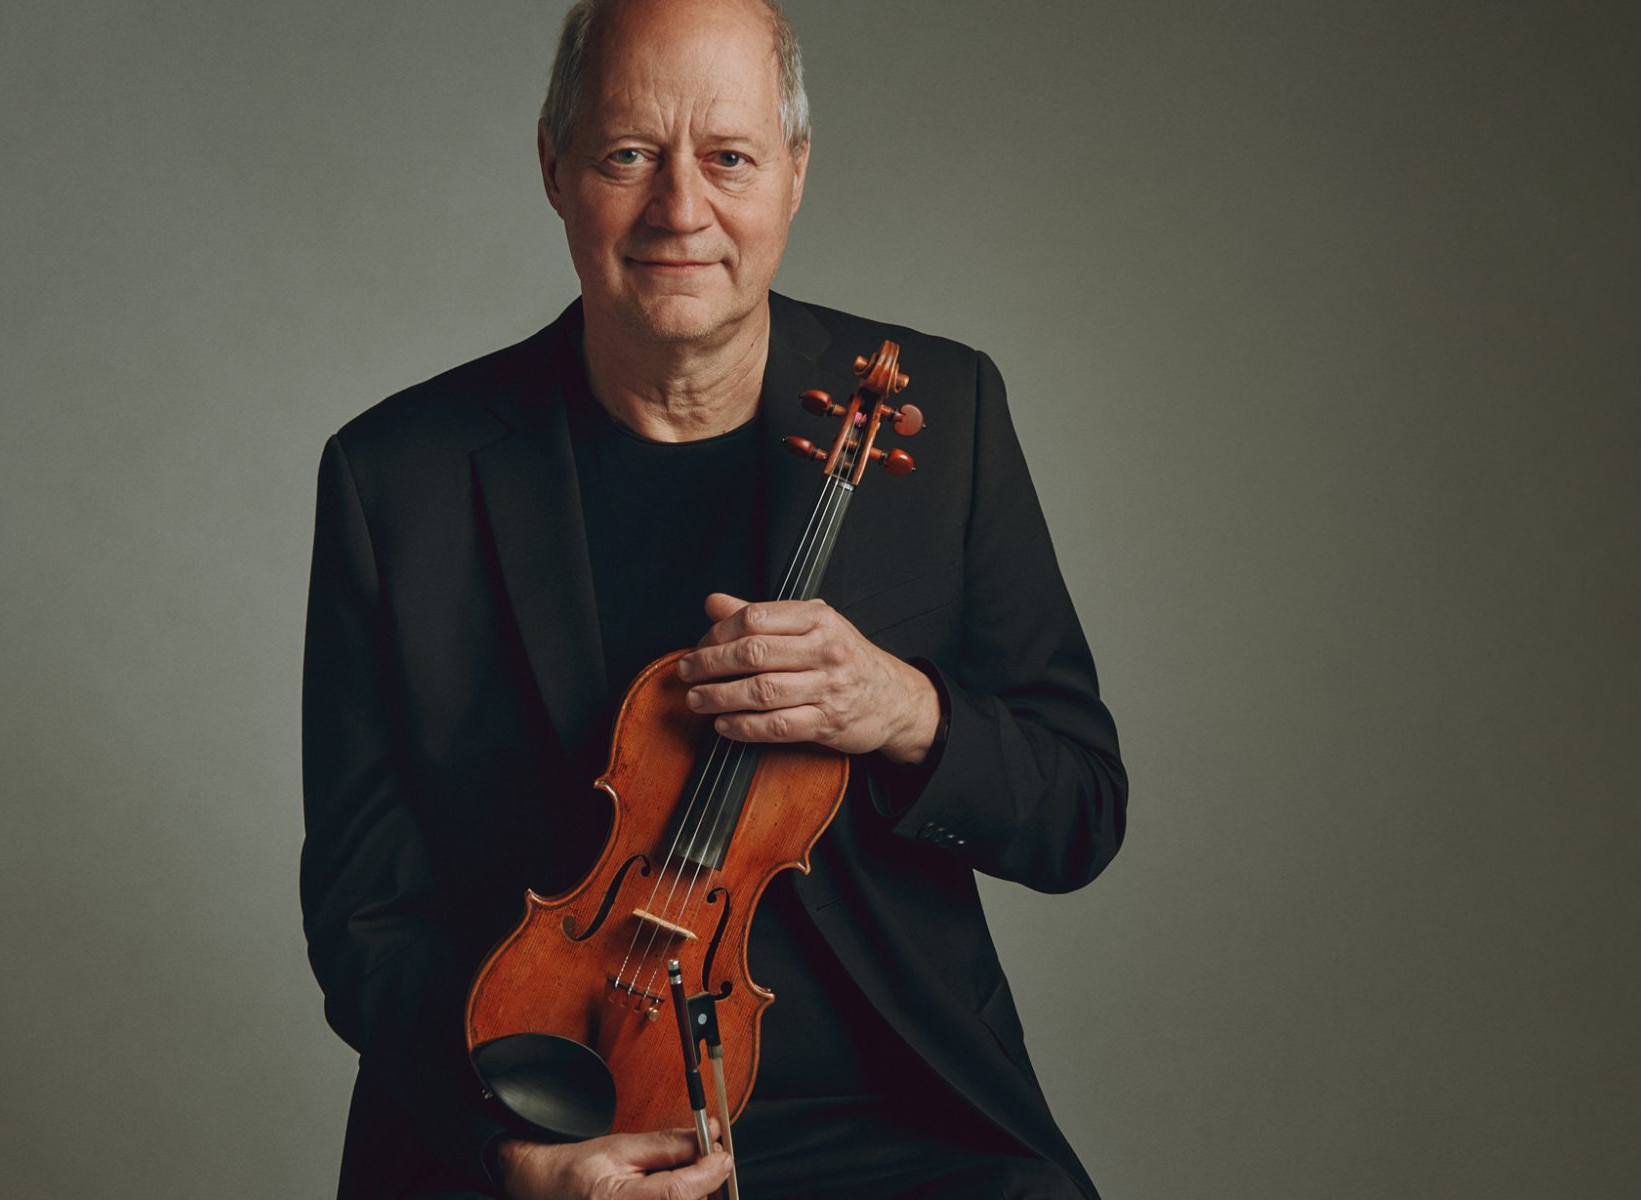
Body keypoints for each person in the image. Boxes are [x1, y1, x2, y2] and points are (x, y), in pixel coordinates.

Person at [299, 1, 1127, 1197]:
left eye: (729, 156)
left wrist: (902, 711)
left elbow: (1077, 811)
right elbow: (365, 911)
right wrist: (519, 1162)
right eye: (628, 154)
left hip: (887, 1126)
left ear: (795, 173)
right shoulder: (398, 477)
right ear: (553, 168)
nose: (679, 209)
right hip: (551, 1110)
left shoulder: (943, 415)